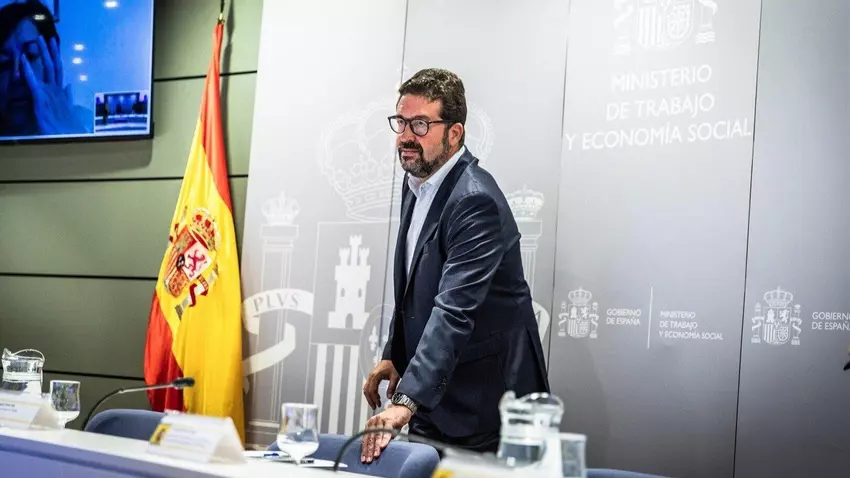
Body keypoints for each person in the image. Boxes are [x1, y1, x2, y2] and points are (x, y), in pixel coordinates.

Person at [361, 68, 550, 462]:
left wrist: (406, 399)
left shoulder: (474, 200)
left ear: (455, 133)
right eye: (401, 122)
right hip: (436, 393)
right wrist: (394, 354)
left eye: (420, 124)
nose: (405, 136)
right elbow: (415, 288)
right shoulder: (418, 181)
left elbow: (454, 310)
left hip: (487, 403)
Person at [0, 1, 90, 137]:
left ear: (53, 60)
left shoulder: (88, 125)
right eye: (3, 62)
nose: (16, 75)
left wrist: (70, 135)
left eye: (31, 56)